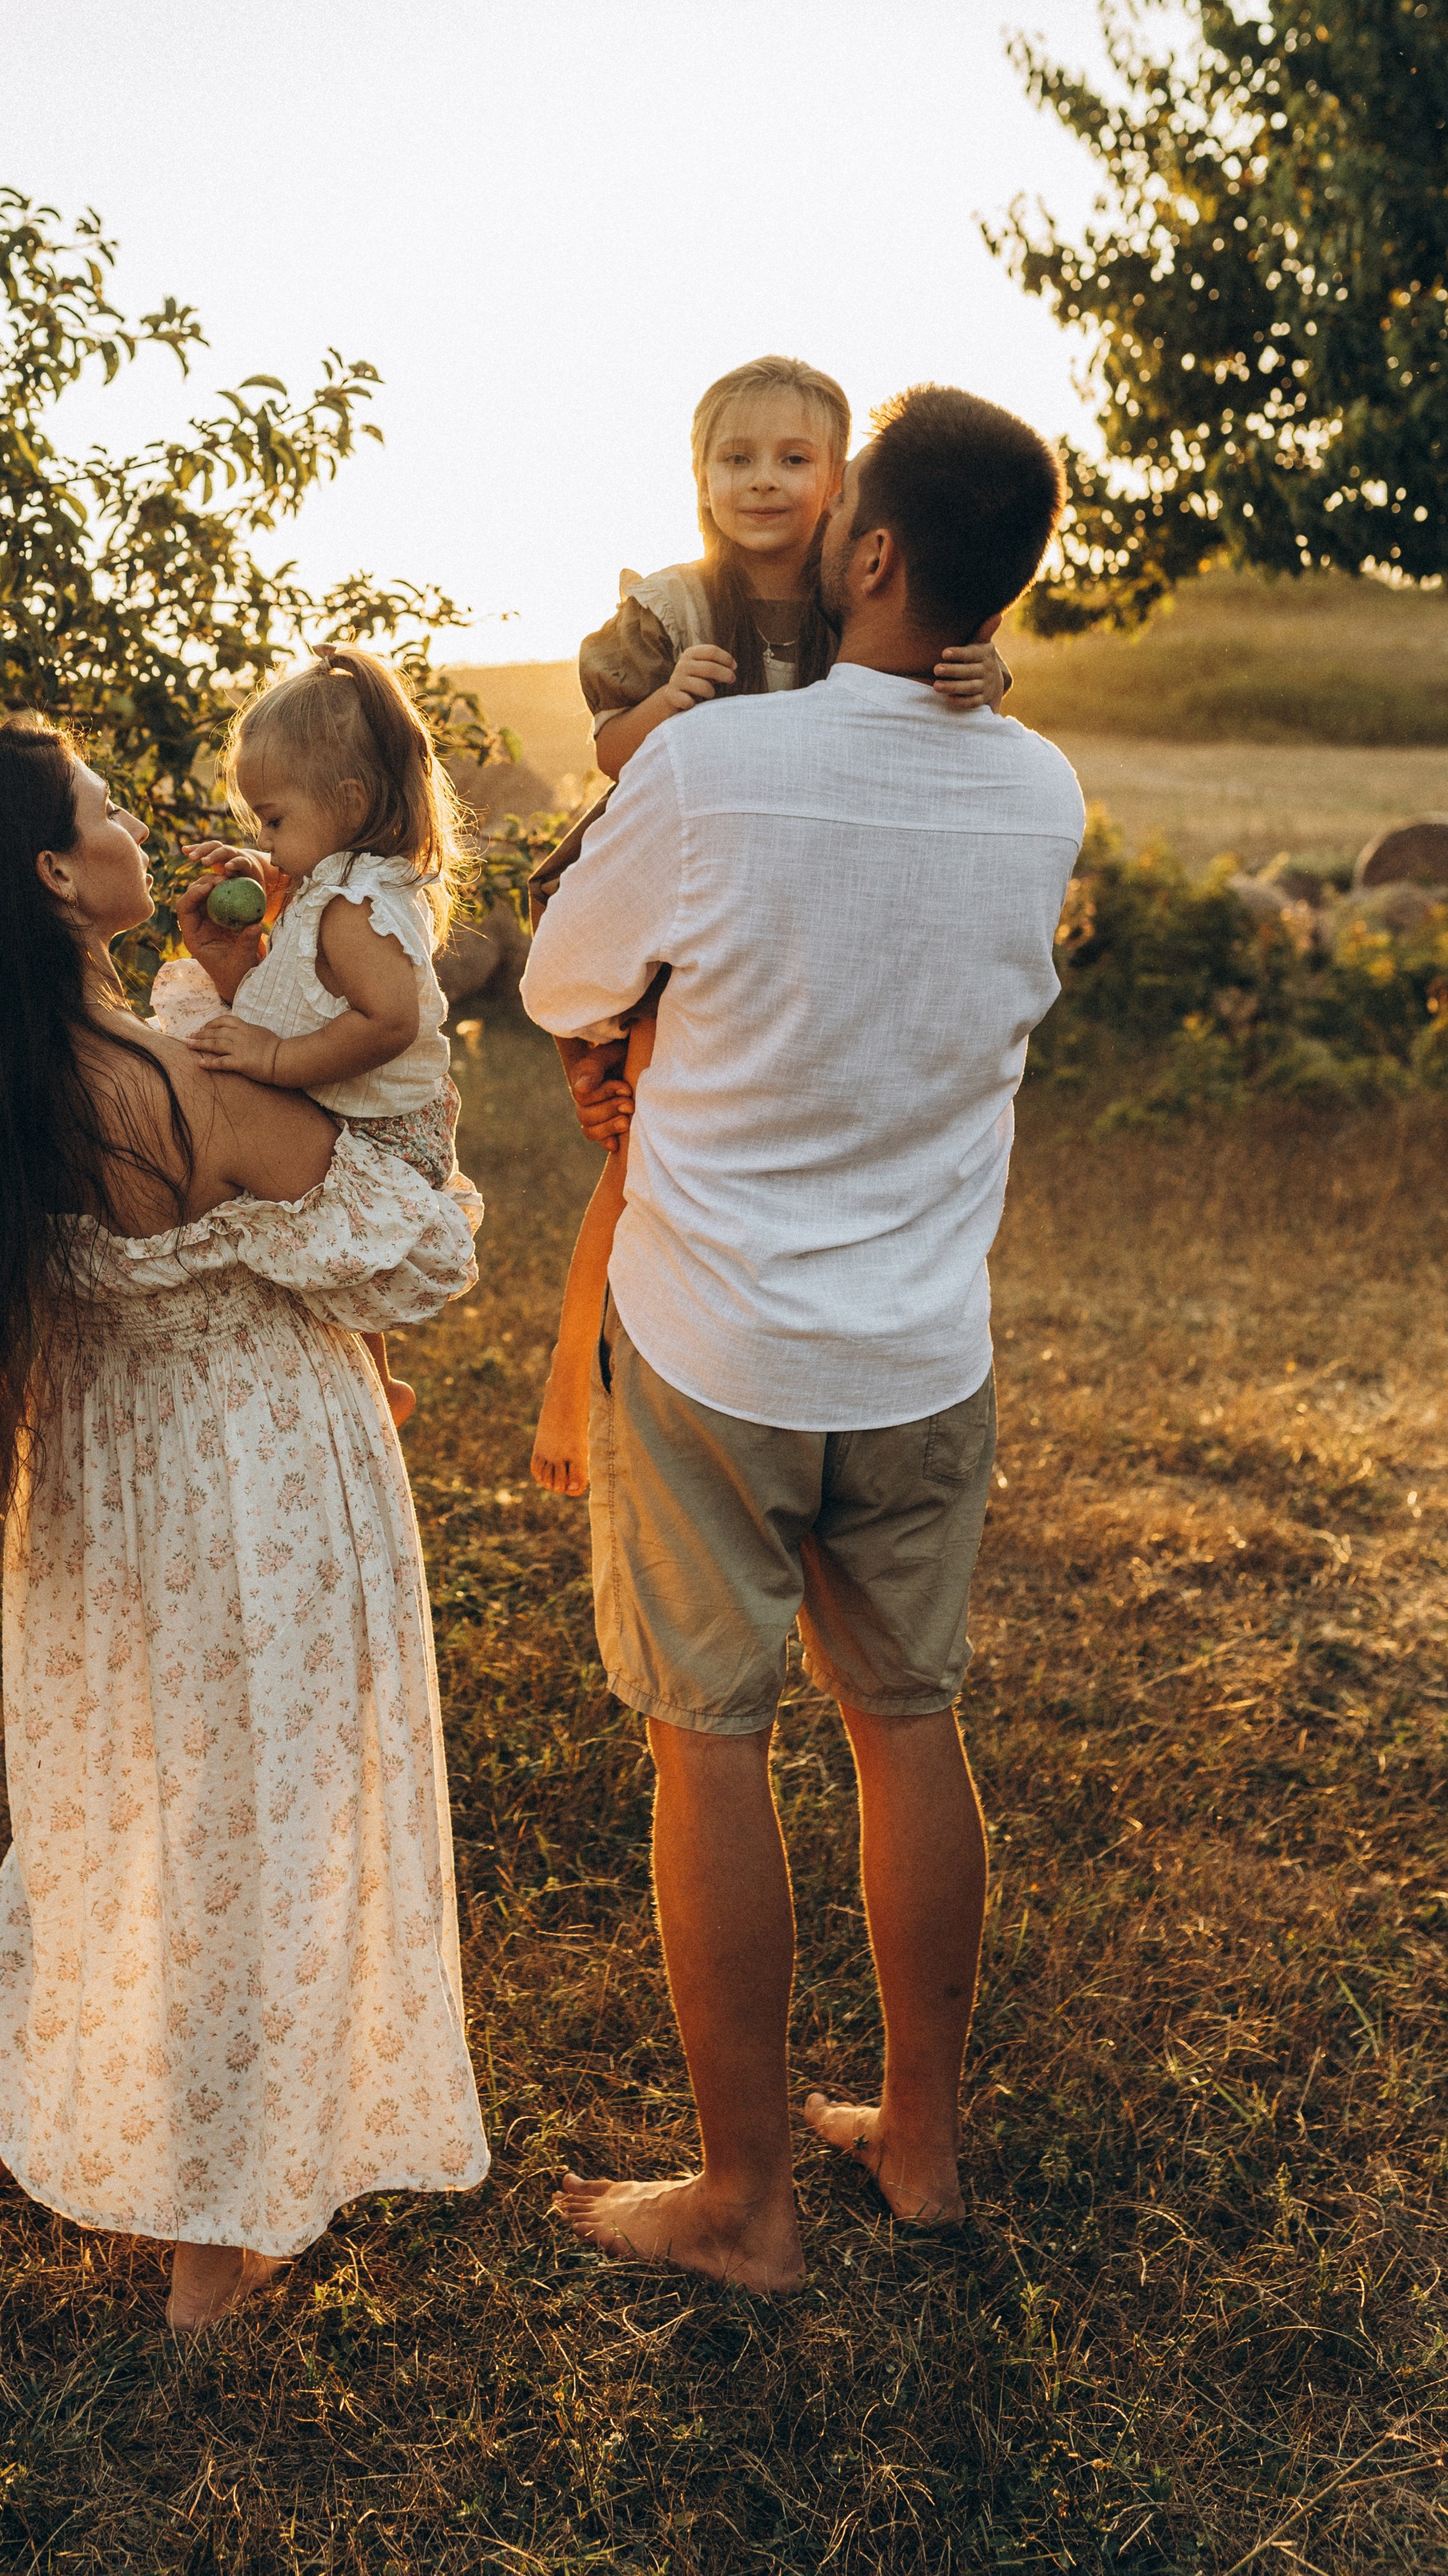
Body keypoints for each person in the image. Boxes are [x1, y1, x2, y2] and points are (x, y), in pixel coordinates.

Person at [0, 717, 490, 2335]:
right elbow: (416, 1260)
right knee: (265, 1830)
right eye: (109, 812)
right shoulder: (180, 1096)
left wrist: (207, 982)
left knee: (102, 1810)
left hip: (105, 1497)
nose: (147, 825)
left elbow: (149, 1113)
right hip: (253, 1486)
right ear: (59, 875)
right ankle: (214, 2249)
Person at [520, 384, 1086, 2293]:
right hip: (922, 1347)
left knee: (711, 1744)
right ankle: (915, 2140)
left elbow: (558, 982)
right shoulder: (1042, 786)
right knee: (908, 1722)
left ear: (861, 550)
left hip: (713, 1344)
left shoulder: (714, 771)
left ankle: (744, 2194)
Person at [528, 356, 1009, 1496]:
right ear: (698, 476)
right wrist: (664, 705)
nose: (763, 481)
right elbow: (607, 752)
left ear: (842, 482)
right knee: (629, 1130)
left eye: (794, 459)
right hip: (690, 872)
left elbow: (944, 676)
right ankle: (588, 1080)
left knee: (667, 1137)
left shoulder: (867, 595)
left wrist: (992, 675)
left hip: (798, 891)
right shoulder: (673, 609)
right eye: (736, 459)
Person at [155, 645, 475, 1429]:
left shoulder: (354, 904)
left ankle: (371, 1379)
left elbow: (389, 1021)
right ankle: (373, 1376)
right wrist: (261, 913)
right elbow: (301, 996)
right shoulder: (327, 886)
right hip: (355, 1104)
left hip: (383, 1127)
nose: (264, 838)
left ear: (351, 799)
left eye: (274, 819)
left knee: (338, 1242)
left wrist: (273, 1059)